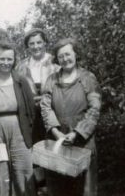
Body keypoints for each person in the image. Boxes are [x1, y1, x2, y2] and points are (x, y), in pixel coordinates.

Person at [40, 38, 101, 196]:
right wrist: (55, 132)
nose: (65, 59)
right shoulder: (51, 80)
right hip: (58, 142)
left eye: (68, 54)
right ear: (57, 59)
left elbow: (94, 109)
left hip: (83, 142)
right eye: (61, 56)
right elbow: (45, 107)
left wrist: (77, 133)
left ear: (76, 54)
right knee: (60, 187)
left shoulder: (88, 78)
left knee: (84, 188)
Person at [0, 41, 36, 196]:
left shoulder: (21, 81)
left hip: (19, 128)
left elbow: (31, 110)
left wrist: (29, 133)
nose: (6, 63)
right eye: (2, 59)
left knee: (23, 168)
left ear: (14, 60)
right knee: (1, 170)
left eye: (9, 59)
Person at [16, 28, 59, 188]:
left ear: (45, 43)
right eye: (31, 43)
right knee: (36, 151)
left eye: (39, 42)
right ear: (27, 46)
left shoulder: (55, 62)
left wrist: (46, 99)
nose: (36, 46)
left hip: (53, 112)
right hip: (32, 116)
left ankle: (55, 187)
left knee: (55, 150)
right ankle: (41, 188)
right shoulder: (22, 66)